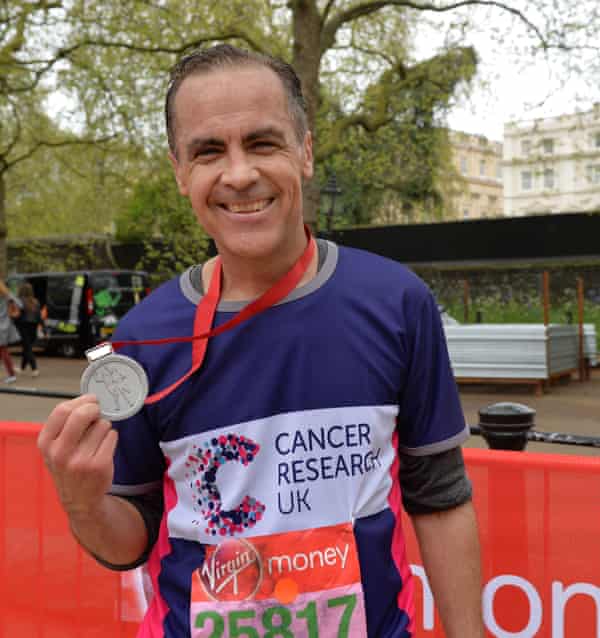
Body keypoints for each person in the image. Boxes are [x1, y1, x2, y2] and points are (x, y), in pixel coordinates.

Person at [38, 45, 485, 637]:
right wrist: (83, 504)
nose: (240, 173)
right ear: (180, 172)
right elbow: (129, 543)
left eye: (263, 142)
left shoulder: (396, 302)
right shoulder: (144, 337)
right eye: (208, 151)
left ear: (305, 151)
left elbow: (440, 497)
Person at [15, 282, 43, 377]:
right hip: (33, 326)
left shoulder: (20, 301)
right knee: (27, 348)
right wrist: (42, 326)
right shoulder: (35, 301)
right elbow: (39, 316)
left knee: (27, 348)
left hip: (24, 326)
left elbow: (17, 315)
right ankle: (22, 368)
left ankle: (34, 369)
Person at [0, 278, 20, 383]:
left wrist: (13, 310)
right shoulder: (6, 295)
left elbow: (18, 304)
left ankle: (12, 374)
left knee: (3, 350)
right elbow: (18, 303)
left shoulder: (5, 296)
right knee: (3, 351)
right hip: (4, 324)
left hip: (1, 325)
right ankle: (11, 371)